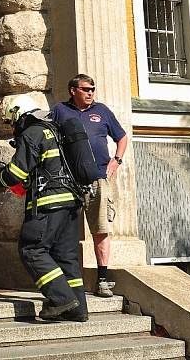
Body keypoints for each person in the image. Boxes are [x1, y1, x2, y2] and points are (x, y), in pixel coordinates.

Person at [0, 94, 89, 322]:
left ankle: (61, 299)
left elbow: (16, 173)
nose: (14, 127)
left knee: (32, 249)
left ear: (19, 115)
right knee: (66, 257)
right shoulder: (55, 130)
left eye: (13, 122)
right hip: (72, 202)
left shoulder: (32, 133)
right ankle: (78, 309)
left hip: (48, 203)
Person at [50, 74, 128, 298]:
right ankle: (66, 283)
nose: (91, 93)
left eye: (93, 89)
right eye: (86, 89)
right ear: (73, 90)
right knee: (64, 231)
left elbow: (121, 137)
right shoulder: (59, 111)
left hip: (98, 180)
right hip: (68, 181)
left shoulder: (101, 111)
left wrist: (117, 161)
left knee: (101, 230)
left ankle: (102, 280)